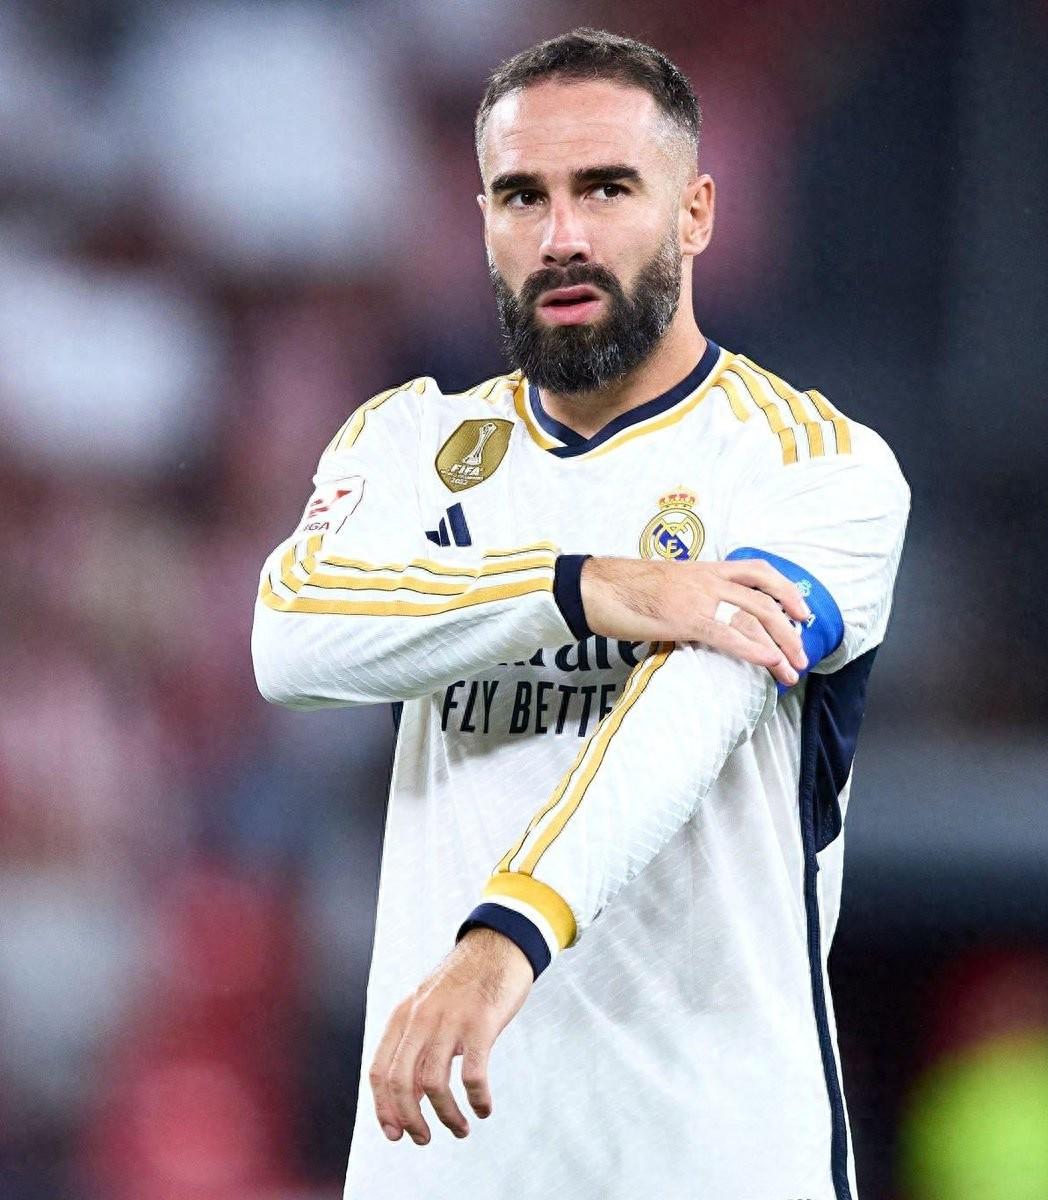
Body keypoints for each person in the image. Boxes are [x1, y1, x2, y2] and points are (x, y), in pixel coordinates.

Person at [252, 26, 909, 1200]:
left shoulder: (814, 465)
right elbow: (291, 637)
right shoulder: (407, 442)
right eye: (522, 196)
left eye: (606, 188)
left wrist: (500, 938)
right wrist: (591, 585)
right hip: (448, 1159)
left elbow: (685, 717)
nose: (561, 235)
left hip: (709, 1157)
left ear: (695, 212)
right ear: (482, 221)